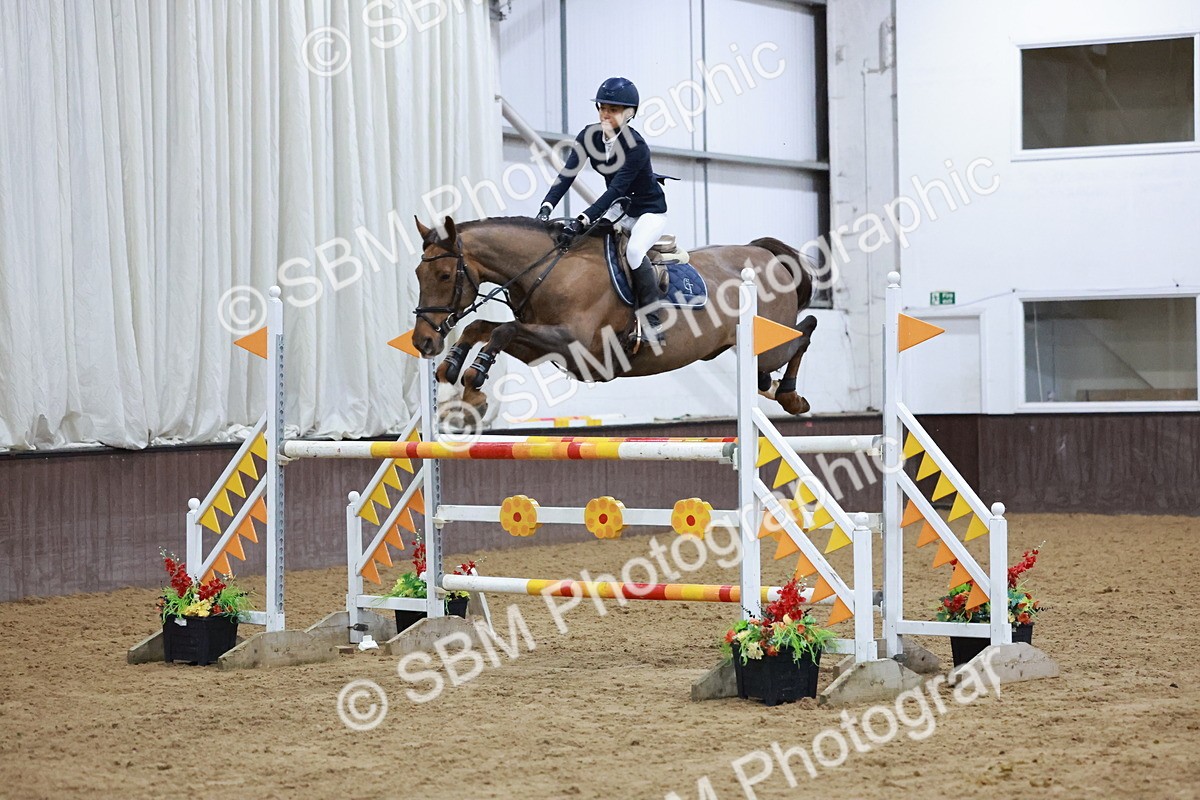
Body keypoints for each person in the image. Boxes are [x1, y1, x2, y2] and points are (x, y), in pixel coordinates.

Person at [537, 77, 671, 343]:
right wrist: (546, 206)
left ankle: (653, 322)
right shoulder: (589, 136)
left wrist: (584, 217)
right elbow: (567, 175)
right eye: (603, 108)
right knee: (586, 244)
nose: (606, 114)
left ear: (629, 113)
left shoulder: (637, 147)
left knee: (633, 252)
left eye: (614, 109)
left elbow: (615, 190)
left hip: (648, 212)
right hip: (619, 208)